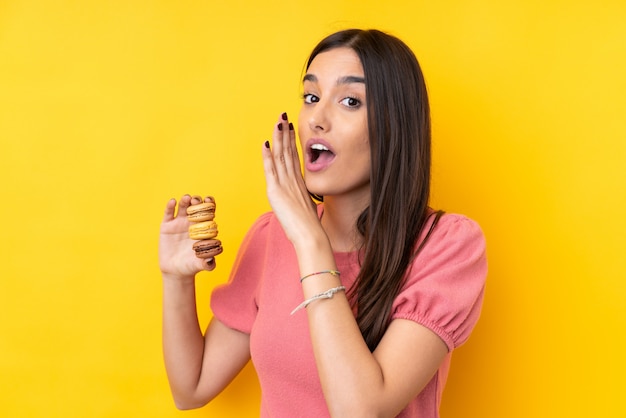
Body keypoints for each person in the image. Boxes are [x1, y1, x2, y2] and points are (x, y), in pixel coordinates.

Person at [159, 28, 487, 418]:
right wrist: (176, 280)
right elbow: (190, 388)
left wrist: (311, 243)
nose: (317, 118)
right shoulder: (271, 237)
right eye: (311, 97)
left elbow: (362, 410)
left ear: (394, 126)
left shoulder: (447, 245)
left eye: (350, 101)